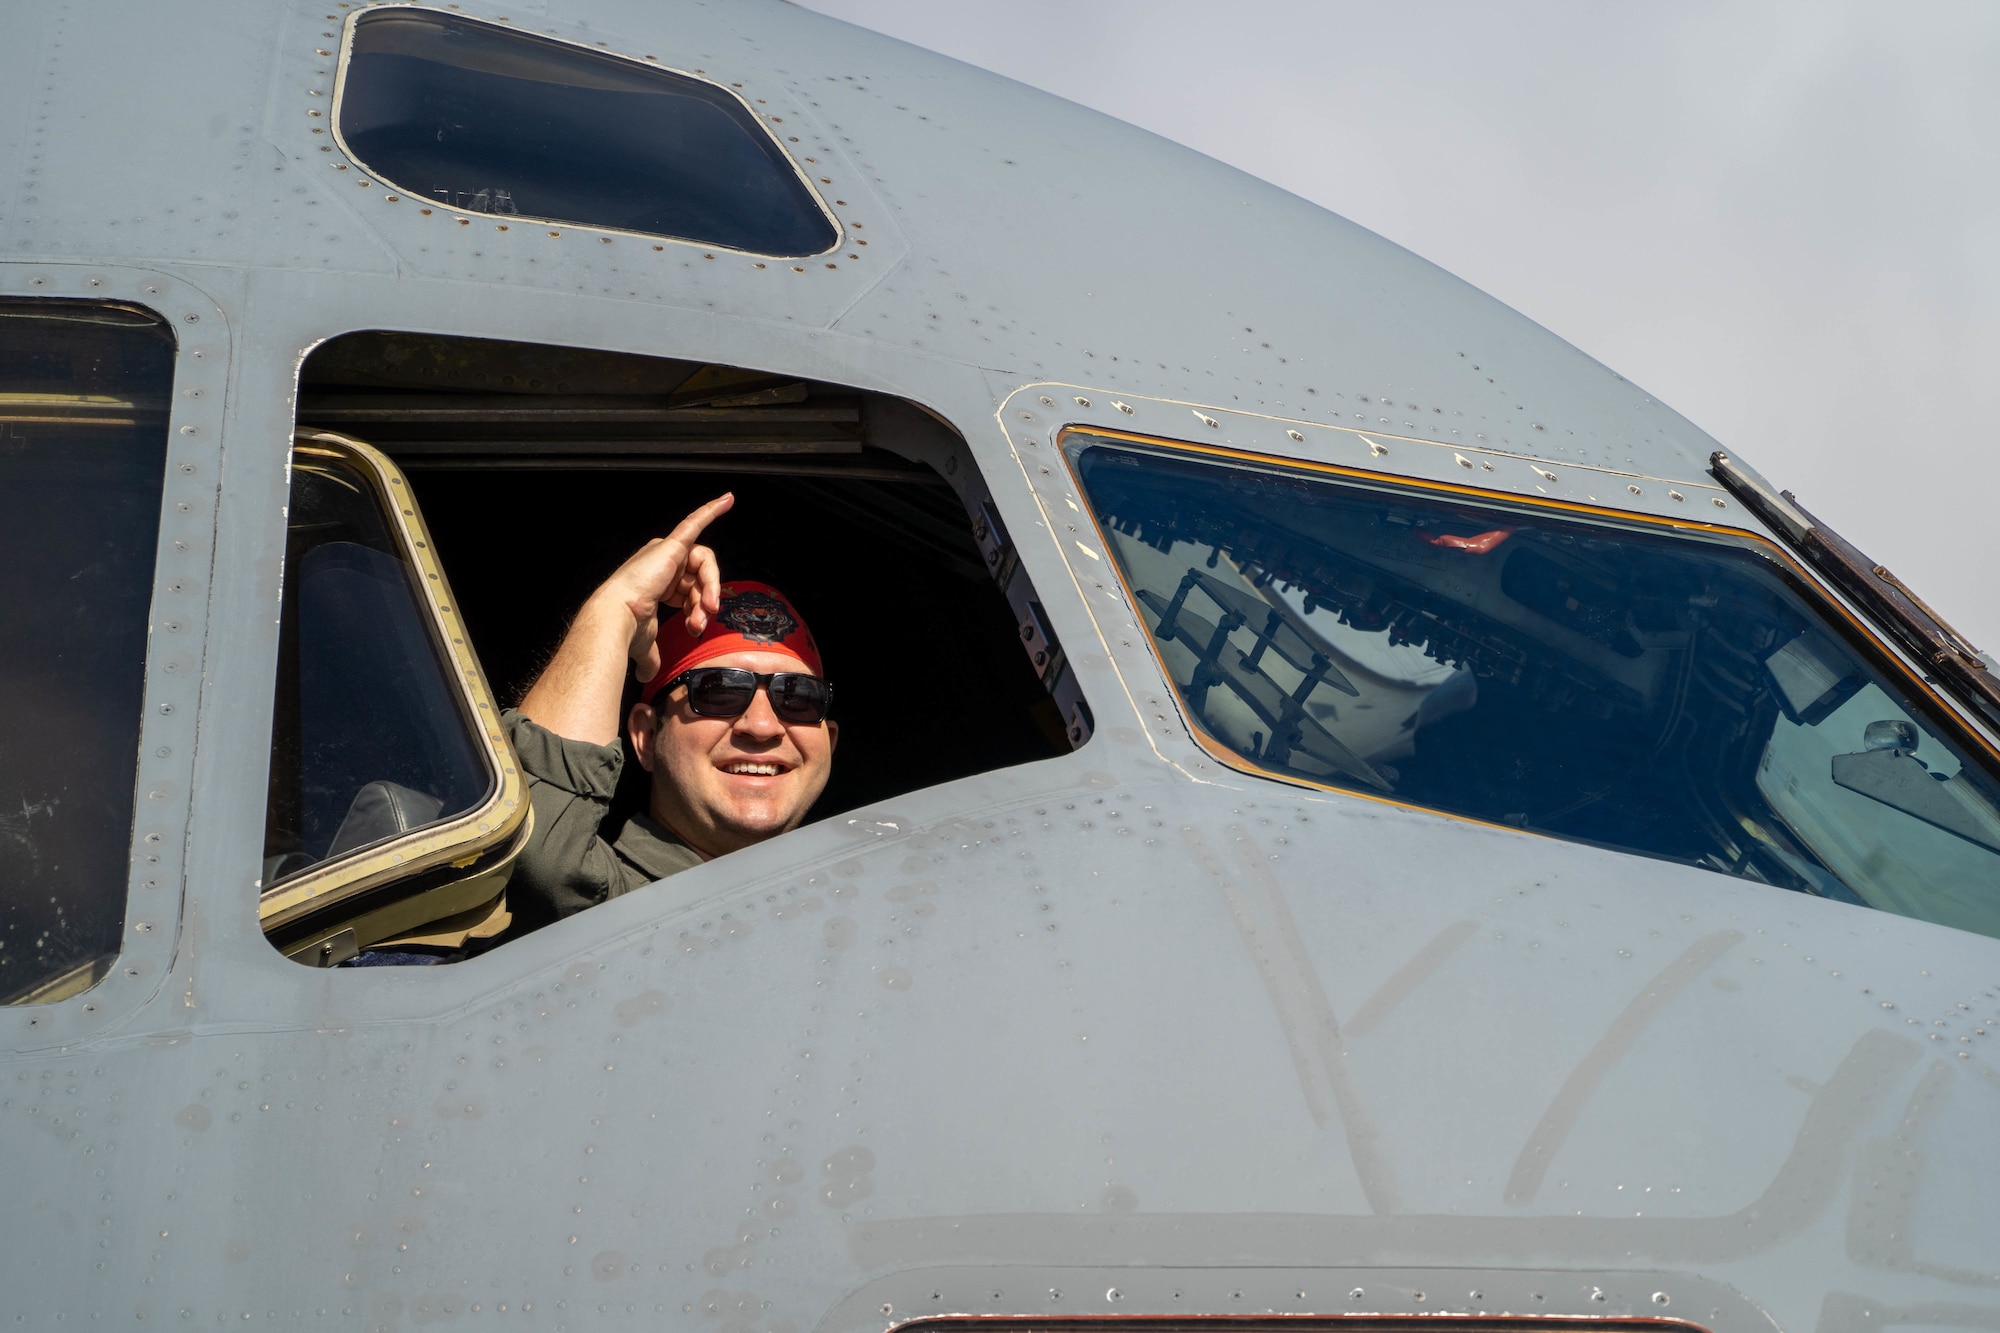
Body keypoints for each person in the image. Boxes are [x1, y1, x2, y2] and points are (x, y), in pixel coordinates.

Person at [500, 494, 837, 933]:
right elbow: (543, 858)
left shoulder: (862, 906)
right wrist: (616, 610)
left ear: (828, 742)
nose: (762, 726)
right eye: (718, 691)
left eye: (797, 696)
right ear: (646, 736)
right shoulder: (606, 903)